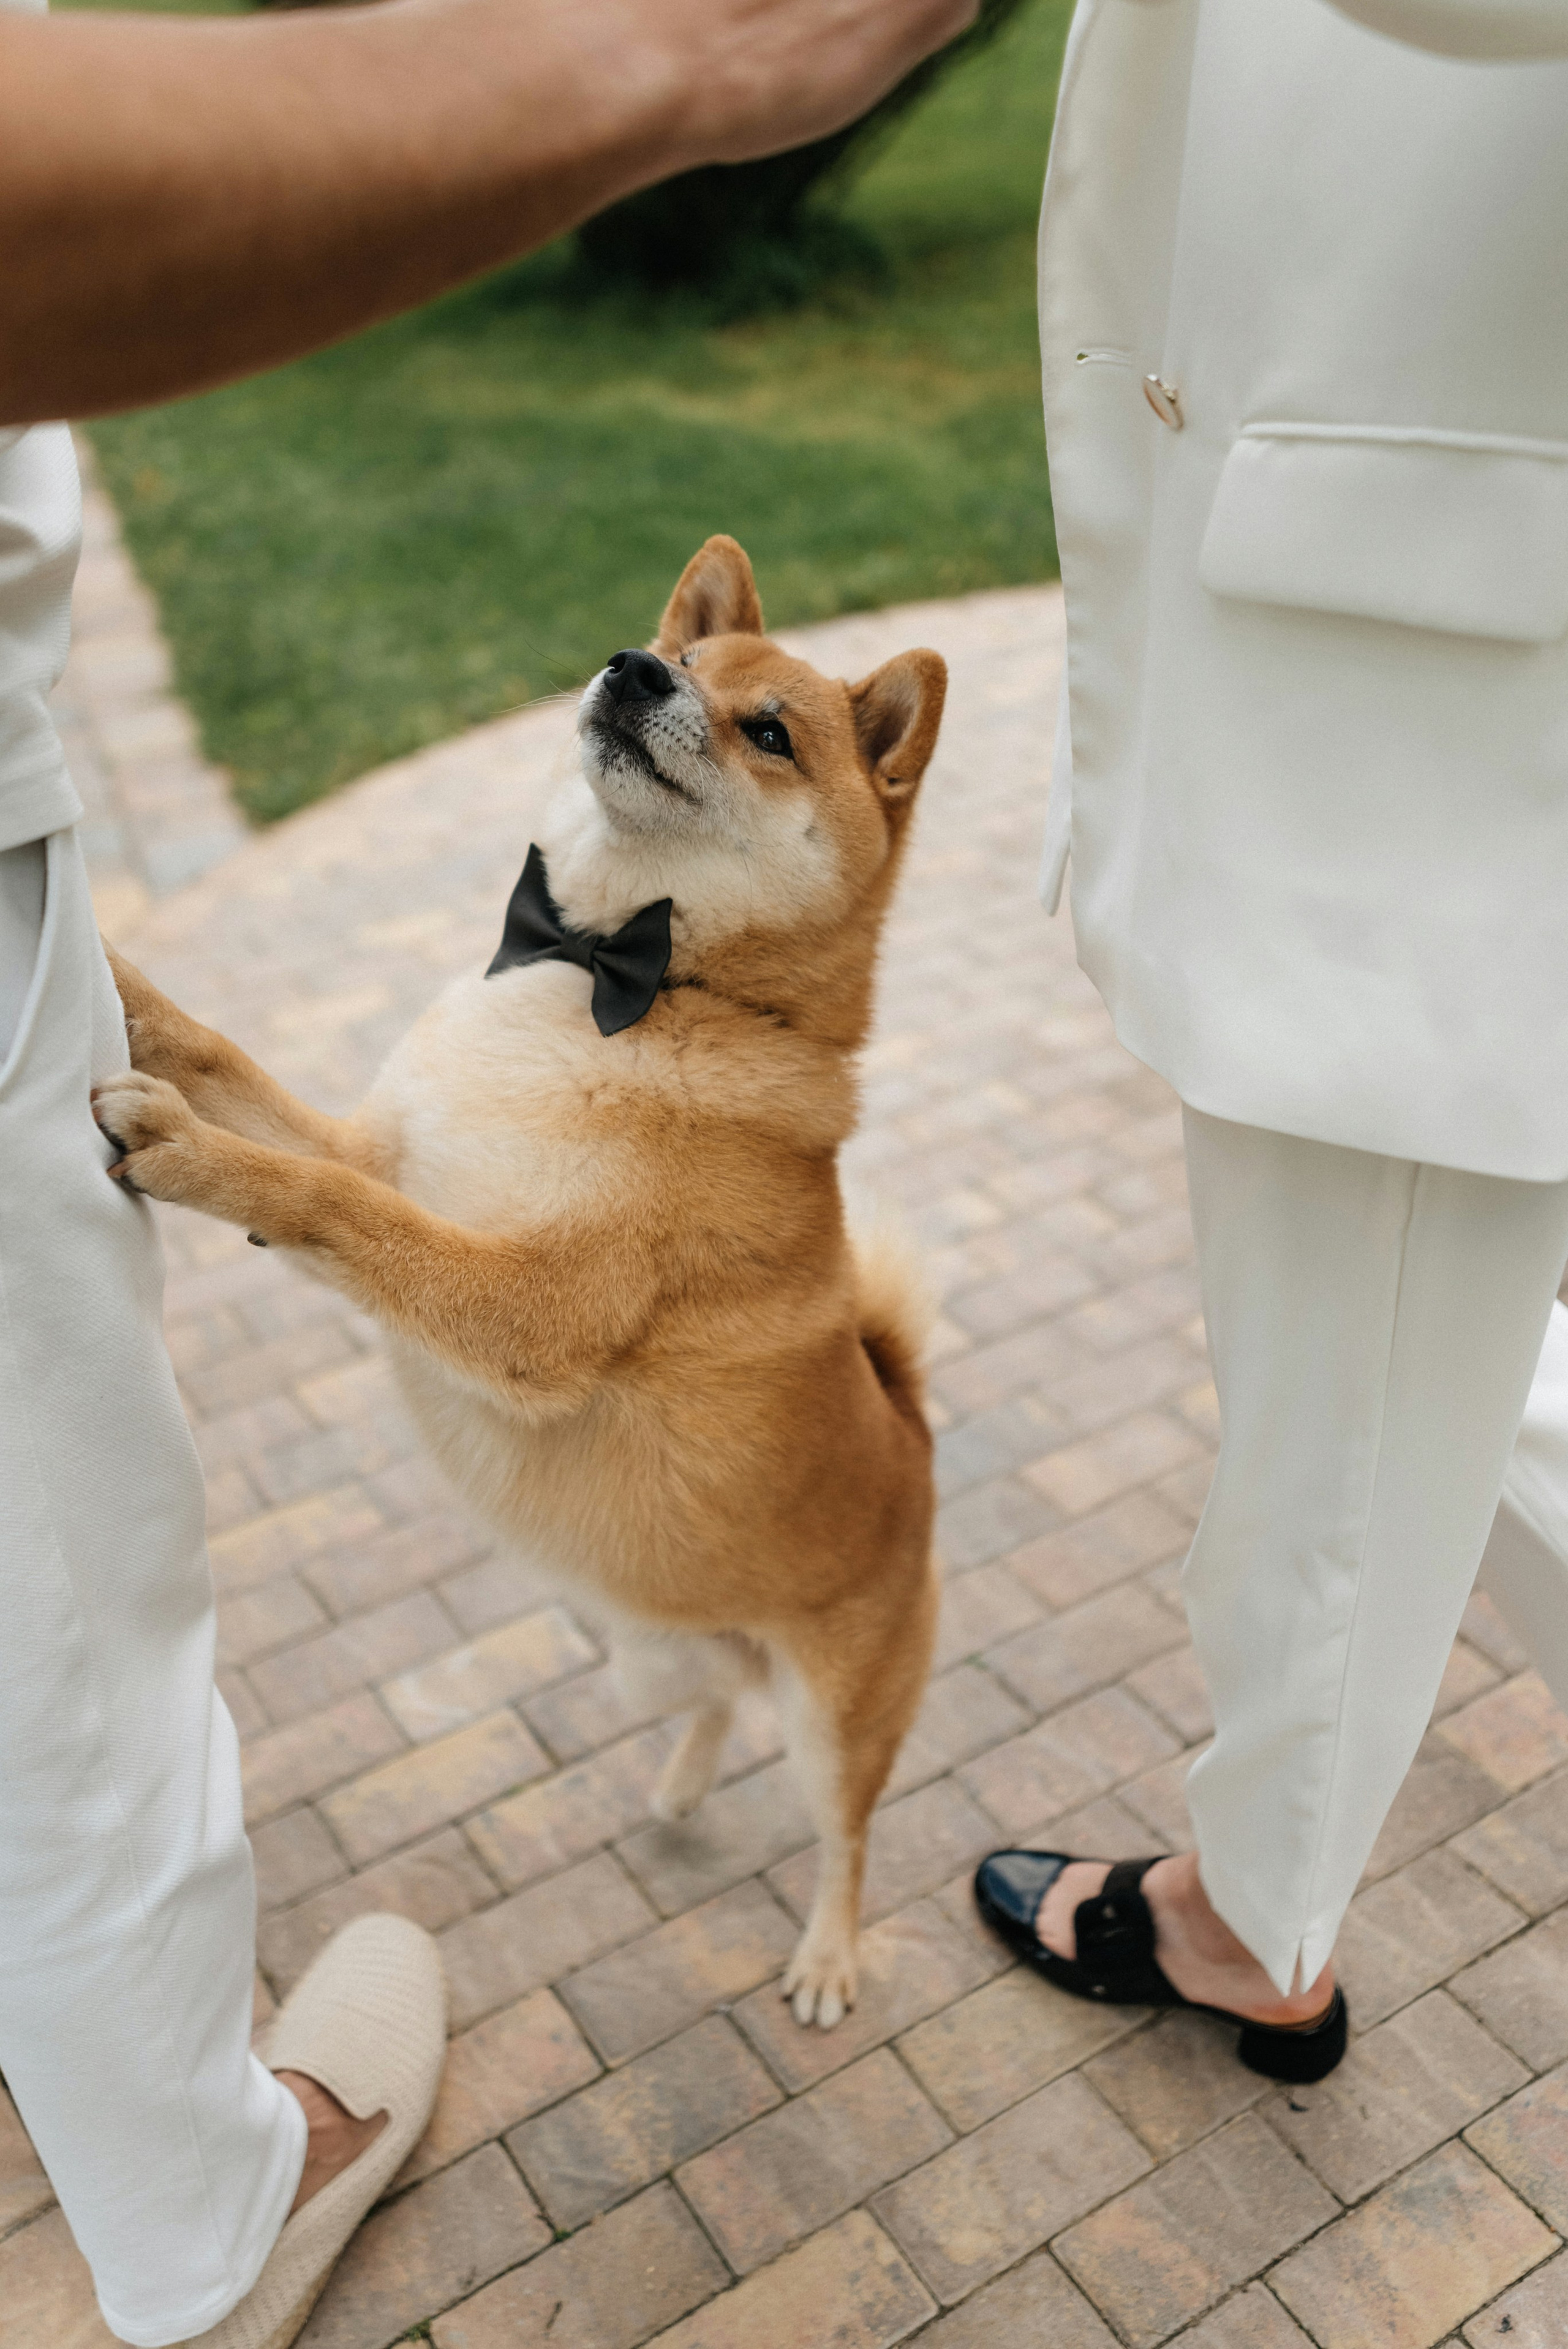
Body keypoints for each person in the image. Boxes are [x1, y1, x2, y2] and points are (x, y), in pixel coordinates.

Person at [0, 2, 976, 2341]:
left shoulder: (718, 1102)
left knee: (819, 1709)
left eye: (765, 730)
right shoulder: (563, 1008)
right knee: (60, 1595)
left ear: (870, 798)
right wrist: (197, 1059)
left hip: (809, 1551)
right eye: (683, 676)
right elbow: (426, 1213)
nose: (687, 695)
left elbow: (521, 1320)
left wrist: (279, 1176)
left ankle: (839, 1868)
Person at [976, 0, 1568, 2083]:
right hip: (1410, 597)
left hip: (1439, 673)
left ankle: (1253, 1915)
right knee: (1435, 1370)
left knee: (1355, 1397)